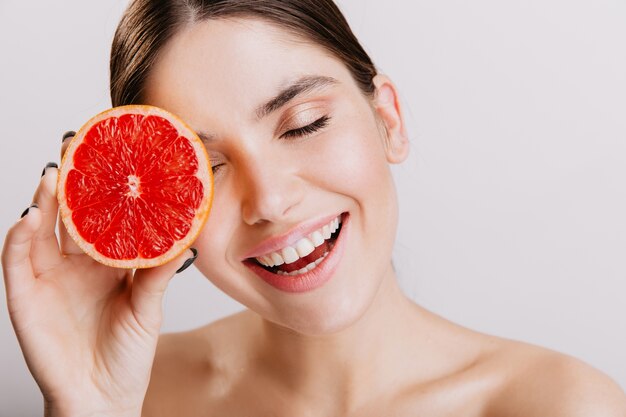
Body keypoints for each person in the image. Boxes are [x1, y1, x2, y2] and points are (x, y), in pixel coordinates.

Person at [2, 1, 626, 416]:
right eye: (210, 167)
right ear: (165, 206)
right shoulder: (136, 397)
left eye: (303, 124)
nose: (270, 200)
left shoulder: (559, 405)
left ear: (389, 120)